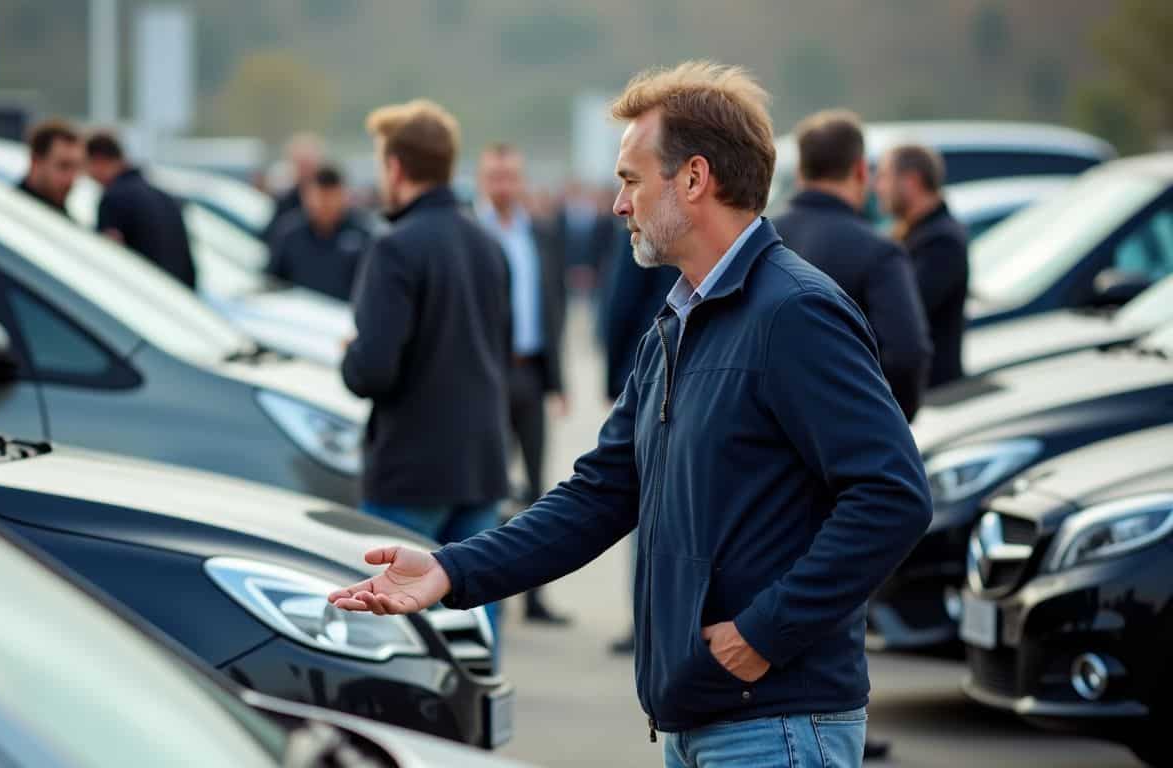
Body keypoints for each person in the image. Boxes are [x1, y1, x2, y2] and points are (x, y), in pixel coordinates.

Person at [329, 61, 932, 768]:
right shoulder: (675, 326)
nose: (619, 205)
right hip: (699, 718)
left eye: (630, 180)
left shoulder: (795, 313)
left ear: (695, 179)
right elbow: (600, 496)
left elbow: (893, 496)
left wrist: (764, 633)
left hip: (777, 726)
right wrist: (450, 571)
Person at [340, 100, 511, 629]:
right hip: (480, 460)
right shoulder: (488, 244)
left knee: (391, 626)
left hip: (412, 469)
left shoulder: (395, 247)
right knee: (476, 630)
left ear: (394, 167)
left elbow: (373, 371)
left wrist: (349, 355)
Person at [773, 110, 932, 421]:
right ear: (860, 170)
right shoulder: (879, 252)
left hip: (767, 435)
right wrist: (891, 423)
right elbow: (907, 354)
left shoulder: (761, 239)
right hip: (846, 432)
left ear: (802, 173)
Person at [475, 143, 571, 626]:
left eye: (510, 177)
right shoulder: (473, 236)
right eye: (495, 177)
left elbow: (554, 307)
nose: (503, 186)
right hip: (487, 376)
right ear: (480, 179)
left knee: (537, 491)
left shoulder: (540, 234)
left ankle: (534, 597)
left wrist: (559, 380)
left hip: (531, 373)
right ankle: (488, 591)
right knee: (491, 487)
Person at [599, 235, 678, 656]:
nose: (620, 204)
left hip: (647, 375)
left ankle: (645, 621)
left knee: (646, 505)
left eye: (632, 180)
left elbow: (620, 303)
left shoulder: (650, 239)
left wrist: (614, 378)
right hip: (650, 373)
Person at [876, 144, 970, 388]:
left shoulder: (942, 242)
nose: (877, 187)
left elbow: (904, 310)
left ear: (911, 181)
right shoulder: (910, 232)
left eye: (884, 176)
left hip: (934, 397)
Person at [84, 132, 197, 289]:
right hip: (176, 298)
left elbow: (109, 259)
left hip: (143, 295)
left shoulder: (114, 199)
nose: (87, 175)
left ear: (99, 161)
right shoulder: (162, 196)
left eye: (86, 165)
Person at [265, 164, 376, 302]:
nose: (324, 205)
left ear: (343, 195)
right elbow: (272, 281)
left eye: (331, 198)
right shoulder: (289, 233)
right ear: (307, 197)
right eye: (319, 198)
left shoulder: (363, 234)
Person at [17, 119, 83, 216]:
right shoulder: (9, 216)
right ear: (35, 161)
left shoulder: (66, 220)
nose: (71, 178)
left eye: (76, 168)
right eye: (64, 166)